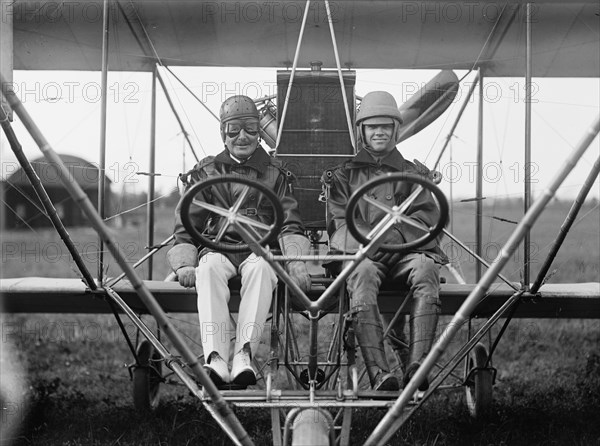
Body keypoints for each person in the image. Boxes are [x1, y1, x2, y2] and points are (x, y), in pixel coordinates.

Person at [167, 95, 311, 388]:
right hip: (219, 249)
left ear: (260, 132)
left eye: (250, 129)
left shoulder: (275, 173)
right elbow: (186, 225)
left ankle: (244, 355)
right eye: (234, 130)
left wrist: (295, 262)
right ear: (223, 133)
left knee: (262, 269)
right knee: (206, 269)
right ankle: (216, 359)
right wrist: (184, 264)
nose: (242, 137)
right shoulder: (207, 171)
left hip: (261, 250)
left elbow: (290, 222)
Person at [321, 91, 448, 391]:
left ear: (395, 129)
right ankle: (380, 373)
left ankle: (417, 365)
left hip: (406, 254)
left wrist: (399, 238)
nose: (379, 132)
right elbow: (339, 224)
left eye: (386, 126)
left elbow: (428, 220)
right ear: (362, 130)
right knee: (361, 273)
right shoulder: (342, 176)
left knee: (427, 270)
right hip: (364, 256)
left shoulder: (412, 172)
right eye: (372, 126)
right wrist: (376, 243)